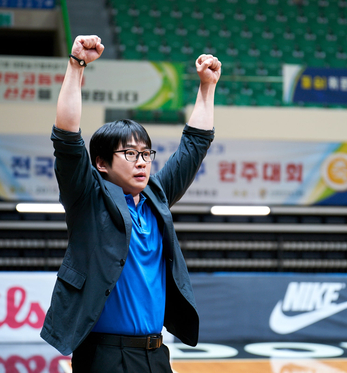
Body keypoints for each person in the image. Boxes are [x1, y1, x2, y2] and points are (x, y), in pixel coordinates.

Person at [40, 35, 221, 372]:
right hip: (105, 356)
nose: (141, 162)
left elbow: (194, 144)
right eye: (129, 154)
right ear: (101, 163)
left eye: (145, 154)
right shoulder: (87, 198)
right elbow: (66, 137)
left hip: (156, 354)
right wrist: (76, 65)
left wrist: (206, 87)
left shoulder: (156, 197)